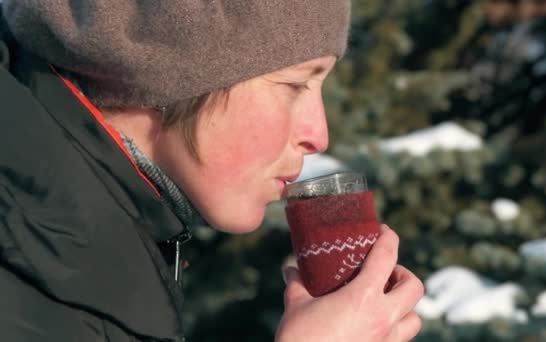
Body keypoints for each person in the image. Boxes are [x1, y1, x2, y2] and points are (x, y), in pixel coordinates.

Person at [0, 1, 424, 341]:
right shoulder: (24, 280)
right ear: (169, 63)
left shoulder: (68, 241)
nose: (319, 134)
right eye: (295, 85)